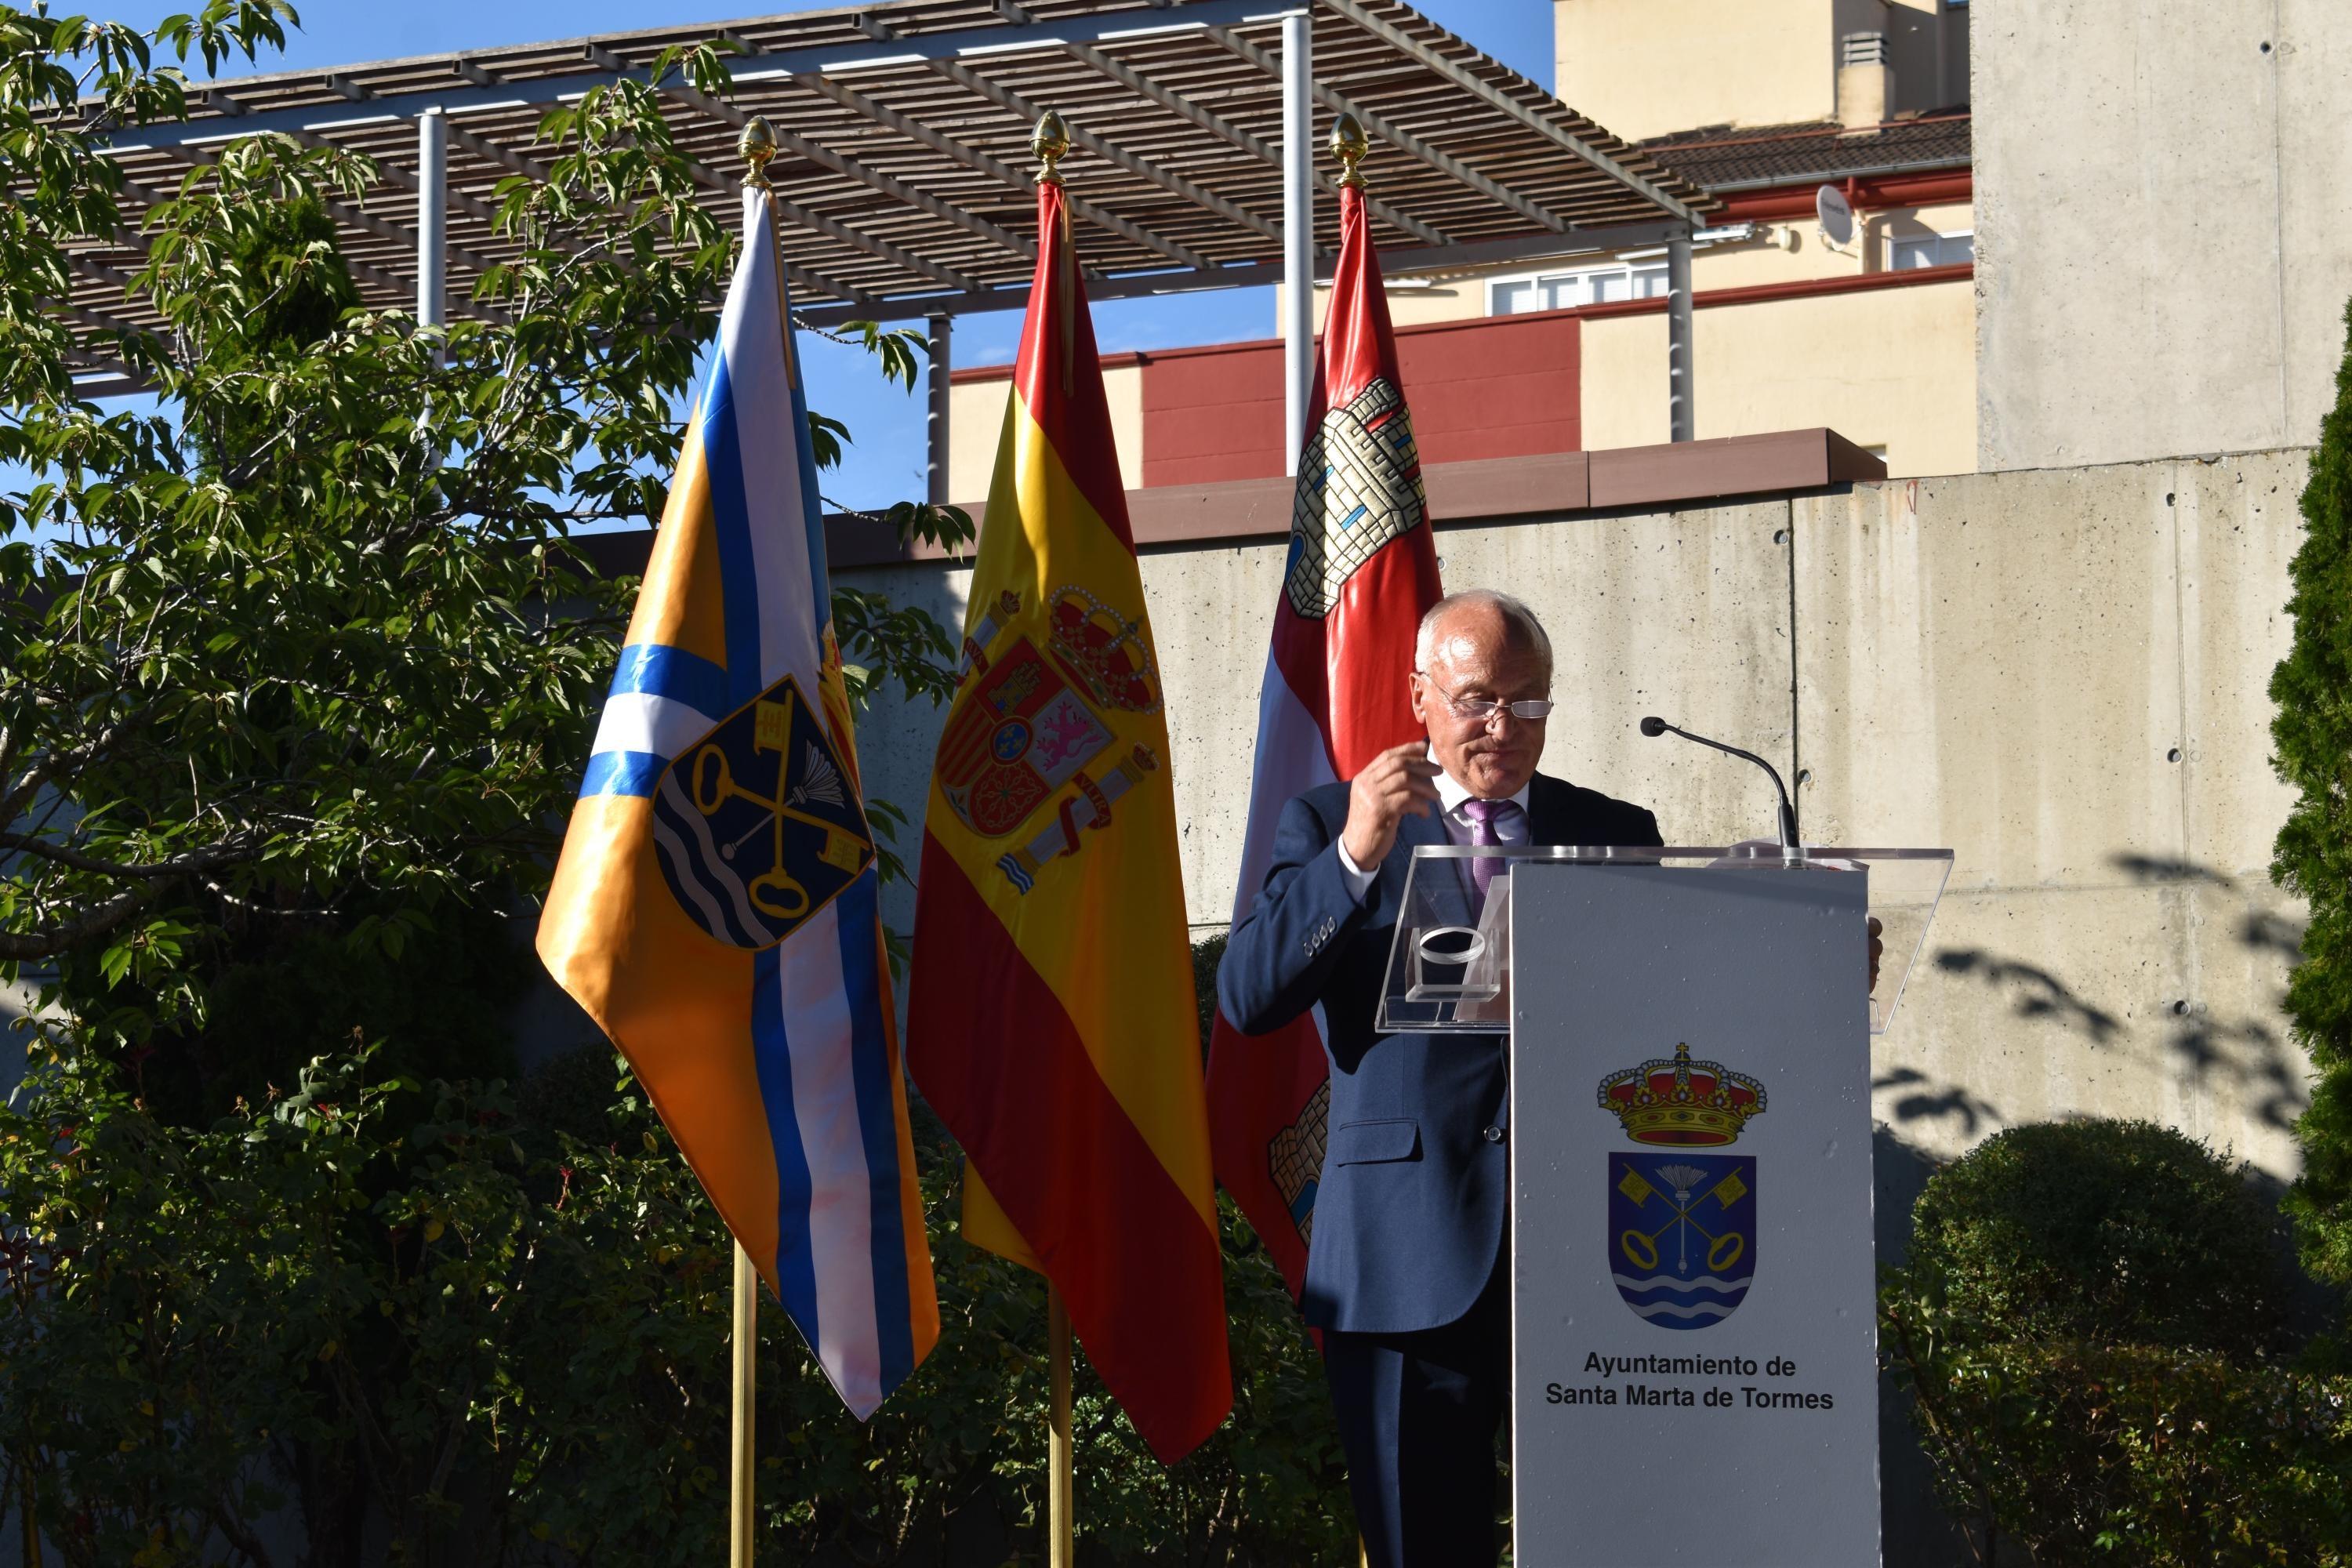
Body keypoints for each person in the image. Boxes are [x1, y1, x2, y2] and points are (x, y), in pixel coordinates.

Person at [1218, 588, 1661, 1566]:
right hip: (1404, 1252)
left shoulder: (1615, 829)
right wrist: (1353, 857)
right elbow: (1248, 996)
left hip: (1593, 1254)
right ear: (1419, 697)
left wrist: (1803, 945)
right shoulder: (1330, 821)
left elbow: (1668, 1009)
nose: (1503, 725)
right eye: (1475, 699)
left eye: (1528, 701)